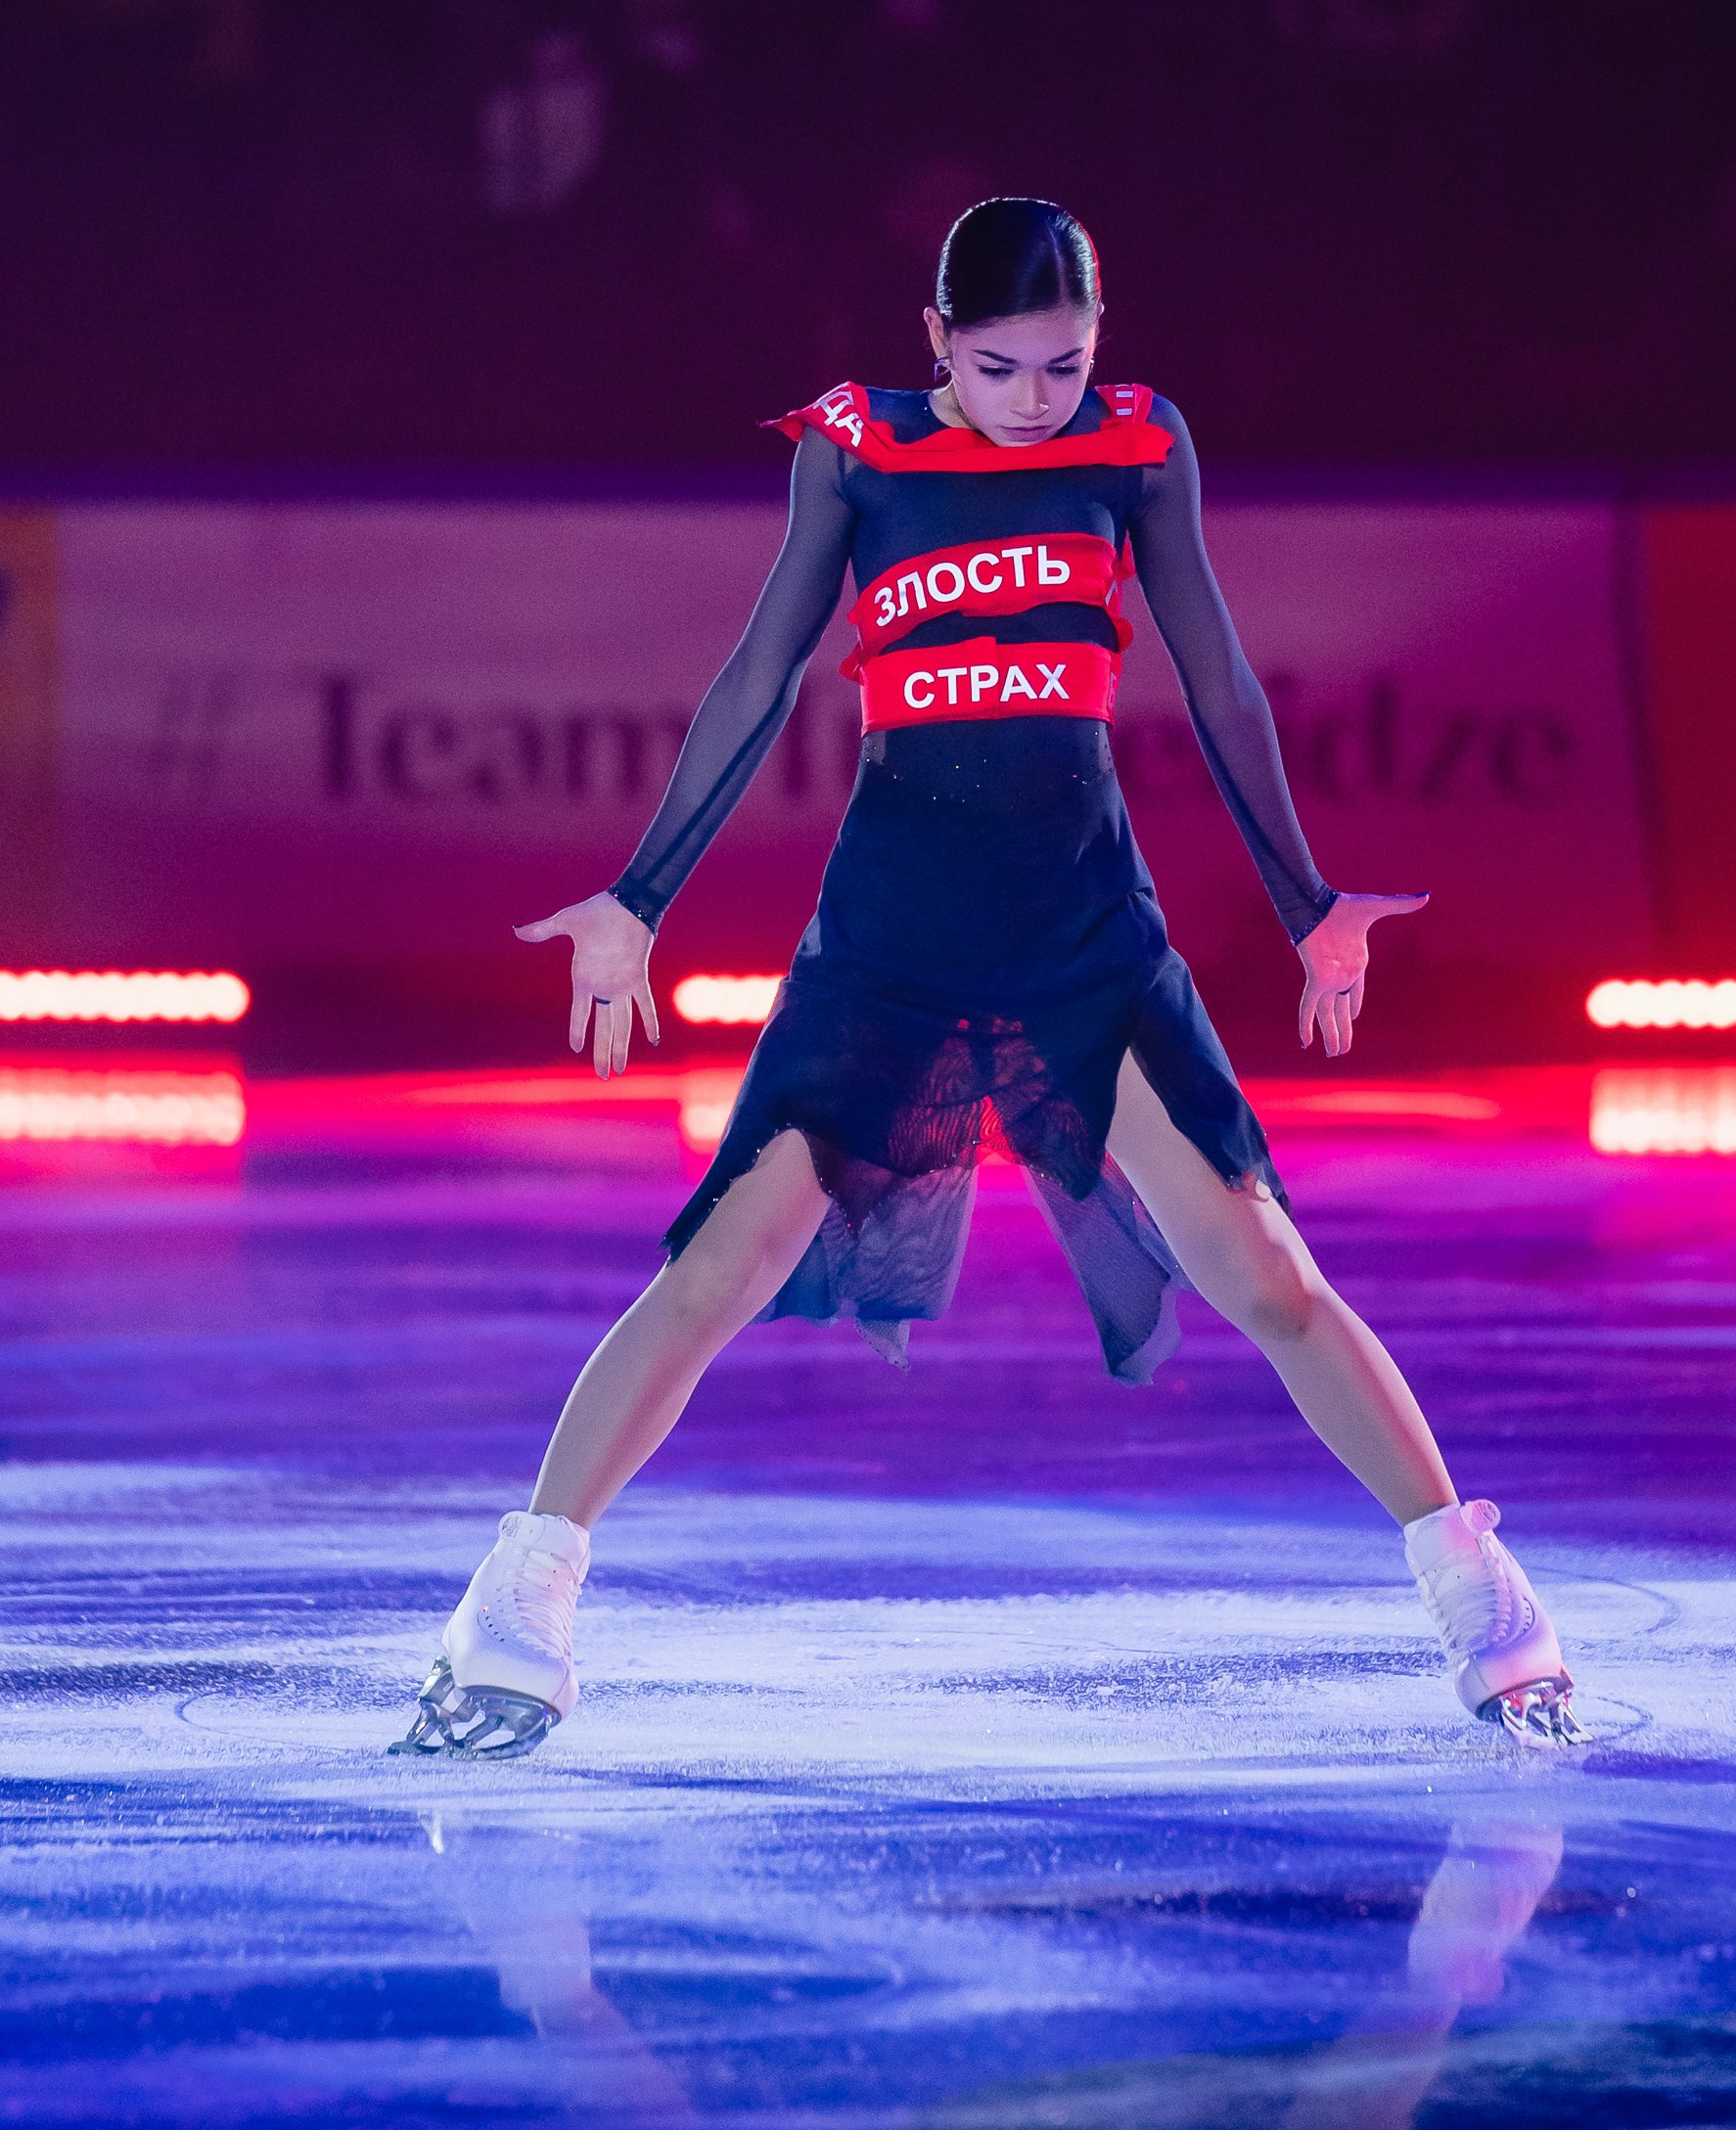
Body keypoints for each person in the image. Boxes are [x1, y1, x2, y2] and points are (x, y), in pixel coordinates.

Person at [393, 197, 1584, 1761]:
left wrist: (1307, 904)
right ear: (937, 343)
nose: (1039, 397)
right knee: (718, 1273)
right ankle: (515, 1610)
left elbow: (1217, 670)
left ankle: (1484, 1601)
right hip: (890, 942)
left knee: (1269, 1279)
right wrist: (639, 894)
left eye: (1069, 364)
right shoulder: (857, 452)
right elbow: (760, 673)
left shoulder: (1139, 447)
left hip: (1084, 933)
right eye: (1005, 365)